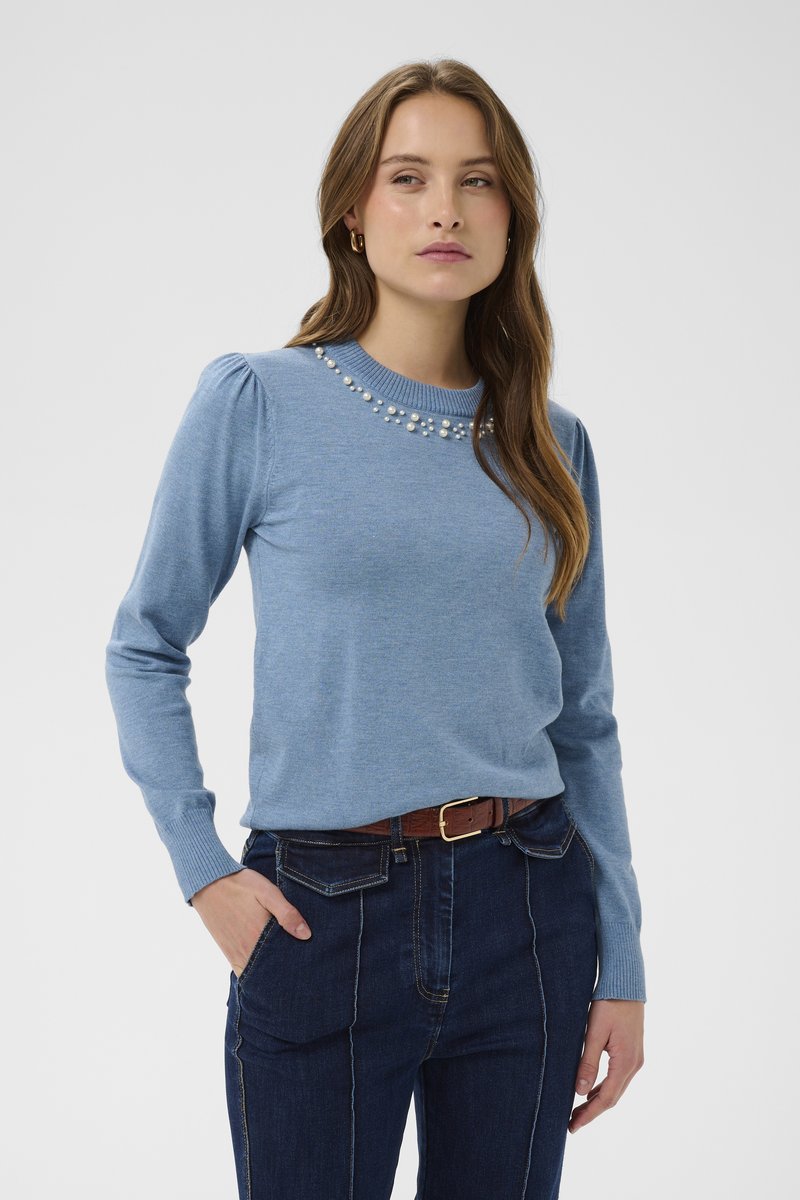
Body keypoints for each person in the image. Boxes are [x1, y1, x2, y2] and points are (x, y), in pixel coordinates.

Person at [105, 57, 646, 1200]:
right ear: (352, 213)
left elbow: (583, 720)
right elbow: (144, 645)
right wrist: (204, 873)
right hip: (321, 916)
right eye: (408, 177)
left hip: (528, 909)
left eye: (476, 181)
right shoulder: (257, 402)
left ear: (511, 218)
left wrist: (623, 961)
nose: (444, 208)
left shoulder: (552, 445)